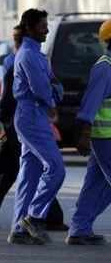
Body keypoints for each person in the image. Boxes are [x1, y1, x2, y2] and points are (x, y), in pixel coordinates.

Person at [0, 25, 68, 232]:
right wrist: (7, 126)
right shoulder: (17, 63)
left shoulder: (20, 60)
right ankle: (46, 217)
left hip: (18, 125)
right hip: (19, 126)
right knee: (21, 170)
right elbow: (8, 100)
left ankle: (45, 217)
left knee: (13, 171)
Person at [8, 9, 65, 245]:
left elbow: (53, 83)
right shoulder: (29, 55)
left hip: (33, 114)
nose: (47, 29)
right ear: (30, 28)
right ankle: (34, 217)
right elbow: (44, 88)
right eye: (43, 26)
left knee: (29, 175)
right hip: (31, 115)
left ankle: (19, 229)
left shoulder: (36, 54)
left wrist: (53, 91)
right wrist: (52, 101)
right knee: (55, 168)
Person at [66, 19, 111, 246]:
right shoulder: (105, 67)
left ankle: (79, 229)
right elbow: (90, 104)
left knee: (95, 184)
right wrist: (83, 135)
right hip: (105, 138)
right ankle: (80, 227)